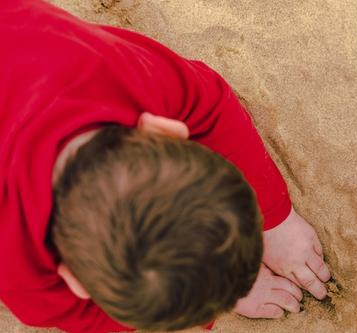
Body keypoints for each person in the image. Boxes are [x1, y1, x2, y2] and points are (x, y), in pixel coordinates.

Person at [0, 0, 331, 332]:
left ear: (165, 128)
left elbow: (213, 108)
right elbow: (82, 318)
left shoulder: (124, 71)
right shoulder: (17, 269)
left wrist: (275, 221)